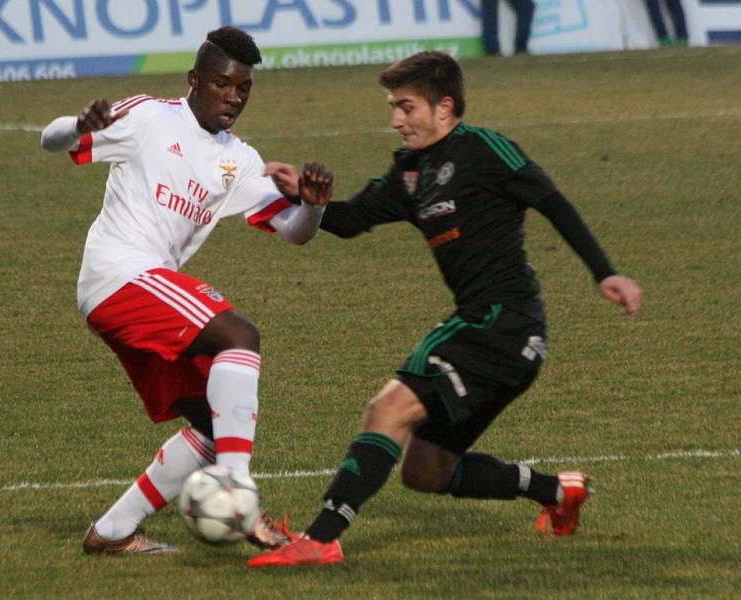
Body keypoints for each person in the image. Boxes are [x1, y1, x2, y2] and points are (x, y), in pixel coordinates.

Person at [250, 50, 642, 567]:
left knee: (386, 411)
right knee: (426, 471)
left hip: (500, 323)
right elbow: (347, 222)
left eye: (406, 107)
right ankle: (556, 491)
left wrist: (605, 272)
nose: (396, 119)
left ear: (445, 107)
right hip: (499, 337)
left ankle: (321, 539)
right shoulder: (410, 173)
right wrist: (309, 197)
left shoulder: (483, 149)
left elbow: (552, 202)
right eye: (393, 107)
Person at [40, 27, 332, 554]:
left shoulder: (238, 159)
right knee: (239, 336)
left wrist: (312, 205)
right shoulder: (151, 117)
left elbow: (294, 231)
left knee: (211, 421)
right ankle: (238, 491)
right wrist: (75, 125)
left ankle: (111, 532)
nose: (234, 98)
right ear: (195, 80)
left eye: (243, 88)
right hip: (119, 274)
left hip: (141, 290)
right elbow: (51, 139)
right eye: (223, 84)